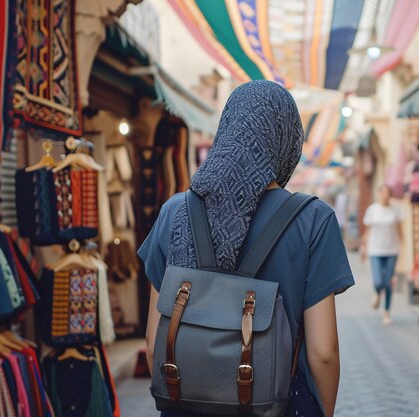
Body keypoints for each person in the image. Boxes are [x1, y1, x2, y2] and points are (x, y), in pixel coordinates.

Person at [139, 80, 354, 417]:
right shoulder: (314, 219)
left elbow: (155, 342)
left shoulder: (173, 213)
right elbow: (323, 351)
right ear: (287, 141)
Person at [360, 185, 403, 325]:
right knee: (379, 281)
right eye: (383, 193)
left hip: (391, 250)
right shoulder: (372, 210)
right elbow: (367, 231)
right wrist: (363, 248)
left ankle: (386, 313)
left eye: (388, 193)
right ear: (379, 194)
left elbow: (400, 230)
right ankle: (377, 293)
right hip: (375, 250)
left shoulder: (395, 210)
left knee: (389, 283)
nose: (386, 196)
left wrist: (402, 248)